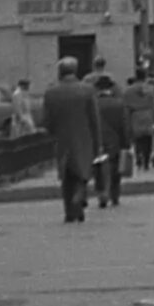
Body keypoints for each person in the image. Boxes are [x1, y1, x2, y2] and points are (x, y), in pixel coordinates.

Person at [40, 58, 97, 223]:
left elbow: (46, 121)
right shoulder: (87, 90)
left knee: (67, 178)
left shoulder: (51, 92)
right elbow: (94, 119)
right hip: (84, 138)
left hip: (62, 140)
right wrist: (97, 142)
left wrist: (52, 134)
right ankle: (79, 197)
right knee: (82, 173)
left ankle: (69, 212)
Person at [92, 71, 129, 207]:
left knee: (99, 168)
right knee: (115, 169)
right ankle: (115, 195)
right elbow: (124, 125)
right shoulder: (118, 104)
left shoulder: (93, 104)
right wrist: (126, 142)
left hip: (98, 141)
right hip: (115, 141)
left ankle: (102, 193)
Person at [124, 70, 154, 172]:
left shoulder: (129, 91)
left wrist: (126, 121)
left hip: (135, 115)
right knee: (148, 139)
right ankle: (146, 160)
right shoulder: (149, 89)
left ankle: (138, 158)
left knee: (137, 139)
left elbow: (126, 106)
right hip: (147, 115)